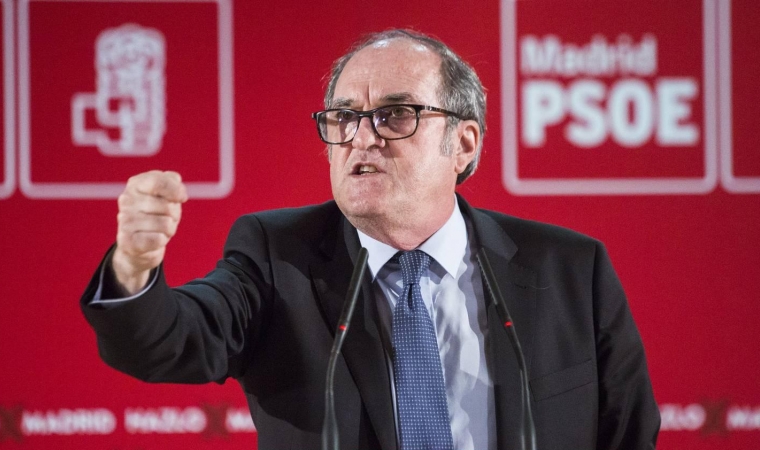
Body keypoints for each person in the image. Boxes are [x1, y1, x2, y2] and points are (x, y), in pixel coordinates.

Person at [81, 29, 660, 450]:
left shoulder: (569, 269)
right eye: (343, 118)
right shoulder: (277, 255)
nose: (361, 138)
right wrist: (134, 265)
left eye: (395, 114)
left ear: (463, 144)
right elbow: (172, 340)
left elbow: (629, 432)